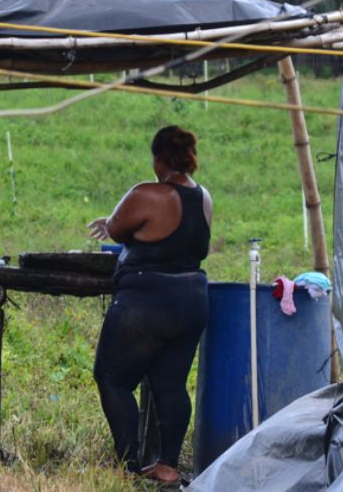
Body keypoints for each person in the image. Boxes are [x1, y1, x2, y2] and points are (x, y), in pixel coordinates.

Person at [86, 125, 212, 485]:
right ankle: (167, 466)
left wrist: (107, 223)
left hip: (147, 301)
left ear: (158, 159)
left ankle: (128, 464)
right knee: (170, 384)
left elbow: (119, 228)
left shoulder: (147, 193)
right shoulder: (204, 197)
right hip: (191, 300)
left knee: (112, 377)